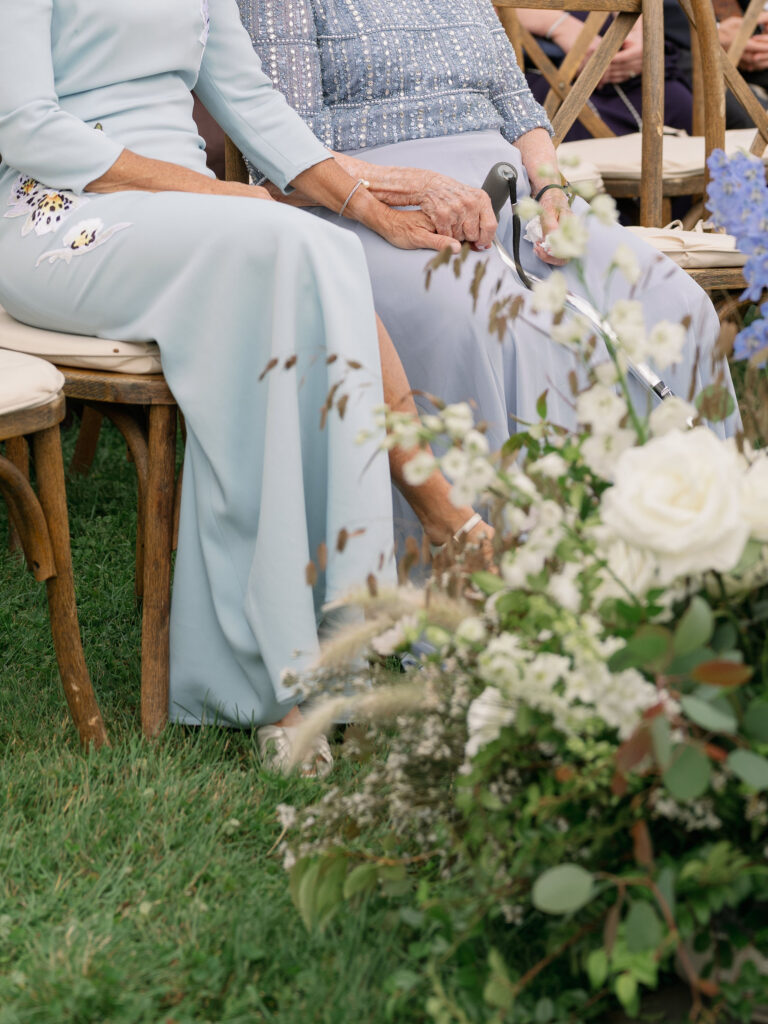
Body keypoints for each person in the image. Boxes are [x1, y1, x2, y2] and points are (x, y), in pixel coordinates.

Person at [0, 0, 492, 772]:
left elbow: (252, 100)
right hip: (61, 212)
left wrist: (370, 210)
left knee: (320, 245)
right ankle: (293, 664)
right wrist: (216, 195)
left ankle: (369, 603)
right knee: (283, 243)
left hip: (192, 215)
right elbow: (27, 127)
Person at [238, 0, 739, 547]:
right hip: (369, 206)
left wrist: (551, 189)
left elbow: (516, 106)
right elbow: (285, 152)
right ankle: (512, 563)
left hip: (508, 191)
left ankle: (683, 548)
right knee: (500, 326)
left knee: (673, 301)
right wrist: (414, 190)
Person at [515, 5, 694, 140]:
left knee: (677, 105)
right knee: (572, 125)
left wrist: (639, 32)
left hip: (625, 56)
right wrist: (559, 26)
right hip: (541, 62)